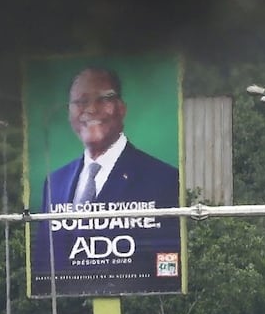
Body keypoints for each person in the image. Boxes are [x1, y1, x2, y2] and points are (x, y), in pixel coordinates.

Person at [42, 67, 179, 212]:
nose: (91, 109)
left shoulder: (162, 178)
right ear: (69, 112)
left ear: (121, 108)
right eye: (81, 101)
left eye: (103, 99)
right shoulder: (54, 183)